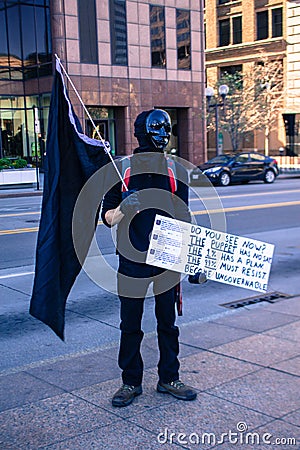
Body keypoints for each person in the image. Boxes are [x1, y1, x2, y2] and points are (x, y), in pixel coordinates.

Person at [101, 109, 197, 407]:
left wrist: (192, 259)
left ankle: (169, 378)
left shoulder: (174, 171)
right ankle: (130, 382)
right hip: (131, 261)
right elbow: (107, 218)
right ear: (142, 132)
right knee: (130, 324)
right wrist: (124, 208)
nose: (164, 134)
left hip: (166, 260)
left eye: (167, 128)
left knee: (167, 323)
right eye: (158, 128)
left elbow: (183, 218)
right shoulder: (123, 171)